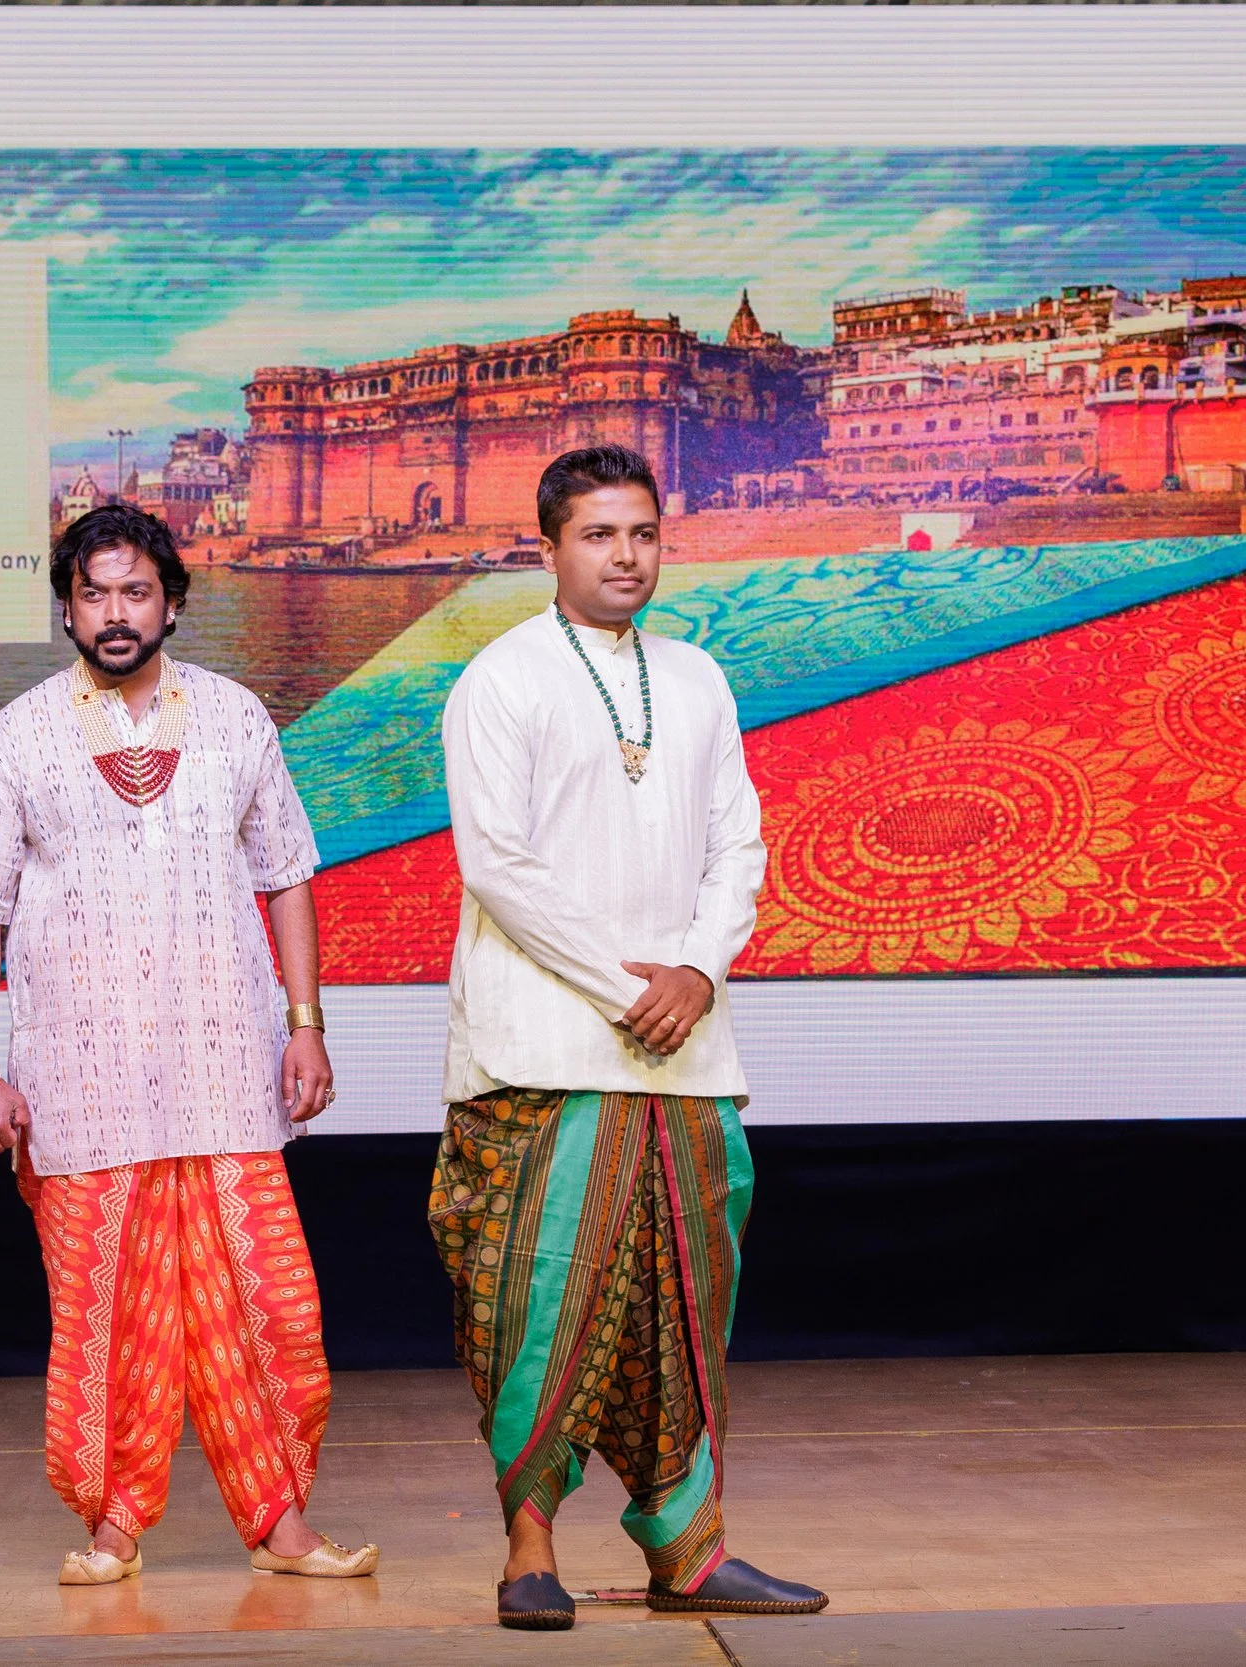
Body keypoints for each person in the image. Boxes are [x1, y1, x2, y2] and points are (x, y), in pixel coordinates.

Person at [0, 503, 377, 1586]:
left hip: (226, 1067)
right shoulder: (20, 733)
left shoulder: (234, 718)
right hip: (82, 1080)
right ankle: (113, 1527)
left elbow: (287, 874)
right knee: (104, 1312)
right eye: (94, 593)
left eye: (135, 592)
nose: (115, 614)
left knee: (272, 1305)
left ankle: (281, 1523)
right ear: (67, 609)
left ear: (170, 600)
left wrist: (305, 1024)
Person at [429, 444, 827, 1630]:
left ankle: (689, 1549)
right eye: (599, 535)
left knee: (688, 1301)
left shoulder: (699, 678)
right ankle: (527, 1544)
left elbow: (737, 845)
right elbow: (497, 863)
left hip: (685, 1049)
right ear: (546, 547)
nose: (626, 556)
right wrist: (624, 985)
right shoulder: (498, 680)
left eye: (642, 533)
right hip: (542, 1050)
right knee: (534, 1300)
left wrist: (699, 967)